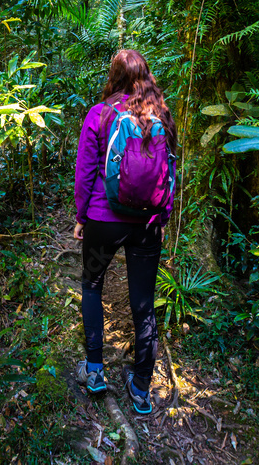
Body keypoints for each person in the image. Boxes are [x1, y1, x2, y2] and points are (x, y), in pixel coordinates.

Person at [73, 49, 177, 415]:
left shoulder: (100, 114)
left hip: (104, 221)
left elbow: (86, 171)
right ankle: (141, 387)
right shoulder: (160, 114)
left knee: (91, 286)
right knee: (143, 306)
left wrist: (81, 216)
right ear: (145, 75)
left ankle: (96, 370)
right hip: (146, 226)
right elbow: (170, 172)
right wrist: (162, 217)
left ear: (114, 76)